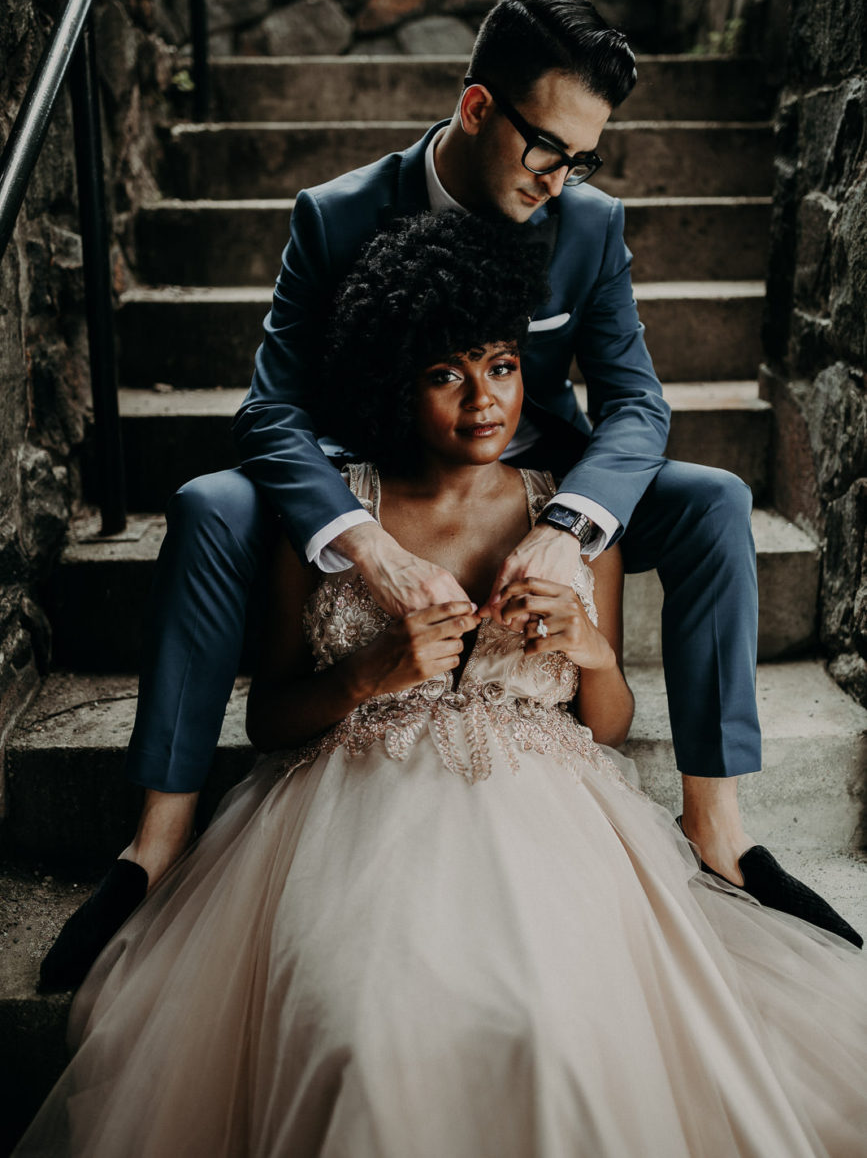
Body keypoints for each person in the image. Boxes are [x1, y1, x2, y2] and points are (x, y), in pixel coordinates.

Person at [40, 0, 860, 992]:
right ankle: (156, 842)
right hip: (363, 472)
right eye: (546, 150)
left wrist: (566, 523)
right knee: (213, 504)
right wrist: (364, 542)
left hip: (531, 470)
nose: (562, 179)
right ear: (478, 110)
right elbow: (269, 411)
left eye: (584, 158)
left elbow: (638, 406)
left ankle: (720, 826)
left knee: (719, 499)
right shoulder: (336, 217)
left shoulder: (588, 227)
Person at [17, 211, 867, 1157]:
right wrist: (371, 675)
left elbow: (611, 723)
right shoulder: (339, 519)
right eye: (444, 374)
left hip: (546, 814)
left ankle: (719, 848)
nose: (483, 399)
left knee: (548, 1021)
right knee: (363, 1033)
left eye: (501, 365)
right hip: (348, 814)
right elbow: (267, 716)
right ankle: (156, 853)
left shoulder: (571, 514)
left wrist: (585, 644)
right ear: (394, 383)